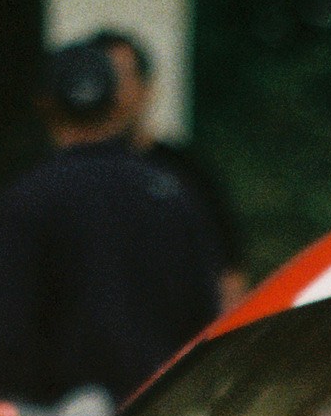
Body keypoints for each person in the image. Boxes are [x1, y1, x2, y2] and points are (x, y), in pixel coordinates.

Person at [0, 38, 225, 416]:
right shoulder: (171, 194)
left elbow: (6, 329)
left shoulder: (28, 198)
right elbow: (204, 313)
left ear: (45, 105)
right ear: (119, 101)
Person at [84, 28, 250, 308]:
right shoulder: (64, 181)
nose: (113, 93)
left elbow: (229, 276)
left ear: (147, 88)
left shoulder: (186, 173)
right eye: (103, 79)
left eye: (122, 78)